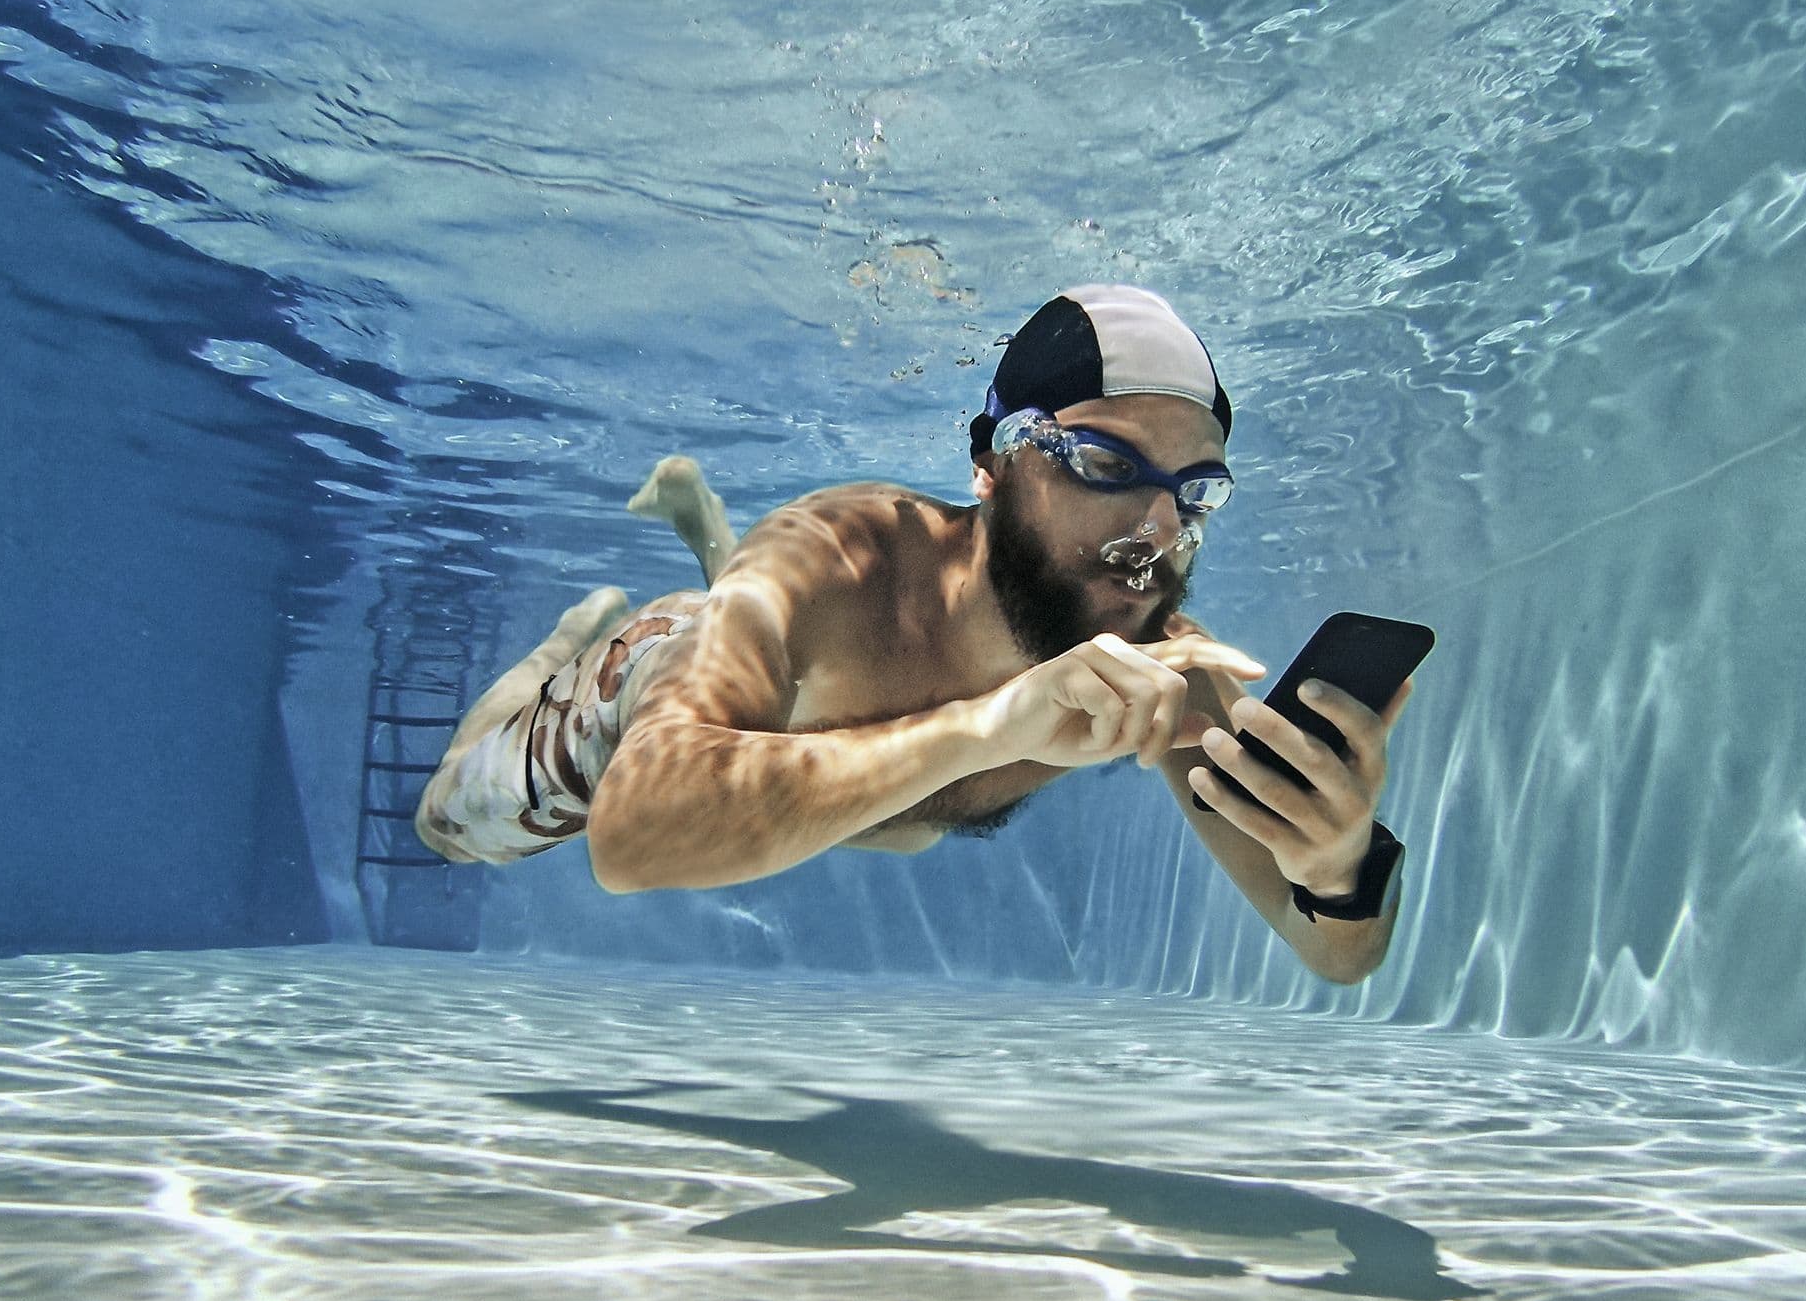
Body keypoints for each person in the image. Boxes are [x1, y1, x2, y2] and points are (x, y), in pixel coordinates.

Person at [417, 285, 1415, 983]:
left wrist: (1337, 871)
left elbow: (1334, 956)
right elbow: (632, 836)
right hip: (637, 690)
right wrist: (989, 727)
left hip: (794, 709)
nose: (1158, 531)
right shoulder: (840, 553)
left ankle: (701, 535)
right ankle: (567, 639)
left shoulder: (1162, 668)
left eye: (1195, 495)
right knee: (449, 825)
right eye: (1108, 467)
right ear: (994, 462)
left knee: (870, 792)